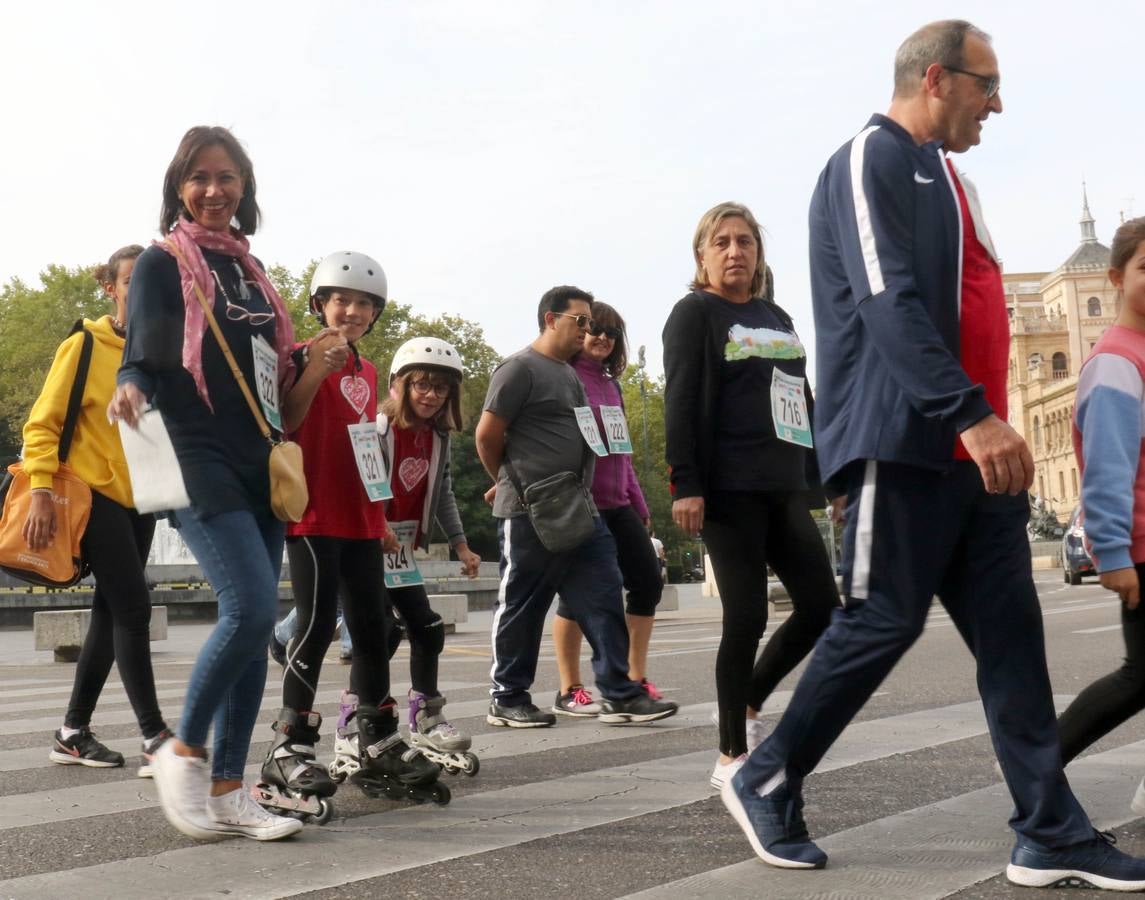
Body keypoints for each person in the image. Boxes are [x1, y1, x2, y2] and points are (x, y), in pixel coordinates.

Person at [721, 21, 1145, 891]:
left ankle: (1048, 830)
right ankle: (764, 776)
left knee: (1012, 640)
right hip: (899, 438)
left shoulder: (944, 174)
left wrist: (987, 420)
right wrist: (969, 414)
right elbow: (885, 296)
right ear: (936, 78)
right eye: (986, 85)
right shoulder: (867, 156)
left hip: (966, 444)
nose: (998, 103)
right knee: (881, 615)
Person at [110, 125, 302, 842]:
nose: (214, 190)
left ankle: (228, 788)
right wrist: (130, 384)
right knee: (250, 610)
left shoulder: (252, 273)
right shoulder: (165, 262)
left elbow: (270, 370)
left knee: (254, 635)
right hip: (195, 453)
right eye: (200, 178)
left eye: (227, 177)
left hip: (260, 458)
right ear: (179, 188)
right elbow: (148, 346)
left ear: (244, 188)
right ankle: (180, 751)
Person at [663, 201, 840, 790]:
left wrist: (826, 478)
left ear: (759, 254)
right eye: (722, 243)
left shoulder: (778, 316)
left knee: (819, 607)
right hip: (727, 490)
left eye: (745, 242)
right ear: (703, 257)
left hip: (784, 484)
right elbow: (681, 402)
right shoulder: (694, 314)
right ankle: (731, 755)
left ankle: (749, 702)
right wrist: (686, 483)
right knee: (746, 615)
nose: (735, 252)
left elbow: (803, 400)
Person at [475, 285, 678, 727]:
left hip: (580, 508)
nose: (588, 330)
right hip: (528, 511)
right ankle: (507, 696)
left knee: (604, 594)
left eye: (592, 323)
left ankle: (621, 693)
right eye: (581, 321)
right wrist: (508, 482)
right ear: (551, 319)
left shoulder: (571, 375)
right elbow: (487, 436)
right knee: (522, 605)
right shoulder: (517, 369)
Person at [25, 245, 172, 775]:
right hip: (94, 496)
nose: (142, 290)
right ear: (111, 287)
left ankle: (71, 730)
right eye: (131, 281)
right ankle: (155, 735)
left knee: (110, 614)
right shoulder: (86, 345)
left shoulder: (162, 350)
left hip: (144, 497)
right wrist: (41, 487)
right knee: (134, 608)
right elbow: (43, 422)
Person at [344, 336, 481, 774]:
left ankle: (427, 713)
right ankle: (355, 720)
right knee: (378, 635)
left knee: (427, 627)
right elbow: (362, 483)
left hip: (399, 550)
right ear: (398, 385)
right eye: (420, 385)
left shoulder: (438, 437)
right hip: (366, 545)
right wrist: (378, 522)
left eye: (440, 389)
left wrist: (461, 544)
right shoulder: (379, 427)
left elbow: (443, 495)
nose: (430, 395)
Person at [1056, 218, 1145, 806]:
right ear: (1116, 278)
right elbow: (1109, 466)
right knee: (1139, 677)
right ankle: (1036, 767)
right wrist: (1111, 551)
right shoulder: (1116, 360)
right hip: (1142, 545)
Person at [551, 302, 665, 717]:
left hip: (619, 503)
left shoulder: (611, 384)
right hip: (582, 504)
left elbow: (623, 453)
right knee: (579, 598)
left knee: (647, 583)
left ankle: (634, 678)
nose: (602, 337)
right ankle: (570, 688)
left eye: (611, 332)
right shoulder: (565, 375)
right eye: (595, 328)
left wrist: (639, 503)